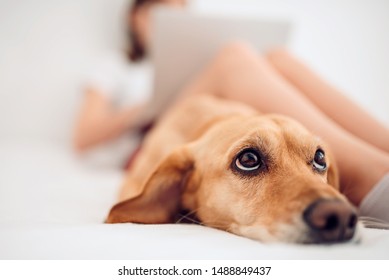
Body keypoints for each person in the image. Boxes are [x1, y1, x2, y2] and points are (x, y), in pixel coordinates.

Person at [74, 0, 389, 223]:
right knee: (233, 56)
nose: (173, 15)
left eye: (180, 10)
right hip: (150, 138)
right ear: (136, 18)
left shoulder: (191, 62)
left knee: (278, 58)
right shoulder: (118, 66)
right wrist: (148, 107)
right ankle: (370, 180)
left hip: (211, 126)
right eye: (161, 10)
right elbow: (83, 137)